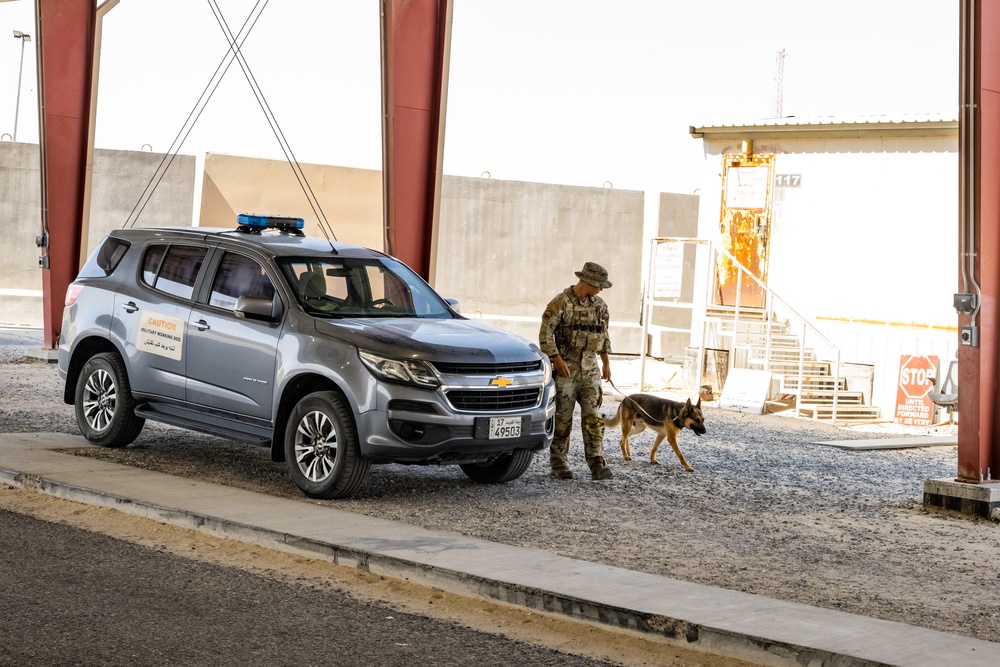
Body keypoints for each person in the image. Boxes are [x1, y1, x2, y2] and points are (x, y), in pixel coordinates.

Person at [539, 261, 613, 480]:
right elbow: (545, 335)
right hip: (567, 371)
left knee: (593, 417)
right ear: (588, 281)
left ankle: (597, 464)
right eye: (598, 285)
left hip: (591, 371)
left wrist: (606, 362)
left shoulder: (600, 306)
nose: (600, 289)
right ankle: (559, 464)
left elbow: (604, 335)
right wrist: (556, 359)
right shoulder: (560, 303)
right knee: (562, 418)